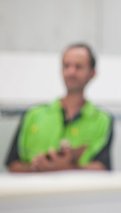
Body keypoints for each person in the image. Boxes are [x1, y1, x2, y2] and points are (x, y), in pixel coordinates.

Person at [5, 43, 113, 172]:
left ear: (92, 73)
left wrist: (69, 168)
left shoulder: (102, 120)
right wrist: (38, 168)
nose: (71, 72)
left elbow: (102, 168)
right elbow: (13, 165)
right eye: (66, 66)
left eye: (78, 67)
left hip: (78, 191)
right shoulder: (32, 115)